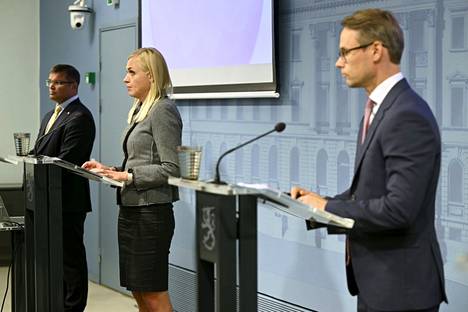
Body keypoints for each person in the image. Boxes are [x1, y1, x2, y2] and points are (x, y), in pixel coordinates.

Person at [291, 9, 447, 312]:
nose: (338, 62)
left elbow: (399, 209)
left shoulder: (407, 115)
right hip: (379, 285)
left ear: (375, 50)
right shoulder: (382, 108)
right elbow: (368, 195)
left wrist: (328, 208)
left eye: (345, 52)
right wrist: (317, 203)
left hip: (401, 291)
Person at [82, 47, 182, 312]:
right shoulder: (141, 110)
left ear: (151, 76)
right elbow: (139, 162)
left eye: (131, 72)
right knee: (139, 293)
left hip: (151, 214)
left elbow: (171, 168)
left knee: (153, 295)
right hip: (131, 210)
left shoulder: (163, 110)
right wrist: (110, 169)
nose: (125, 78)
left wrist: (127, 175)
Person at [33, 64, 95, 311]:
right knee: (54, 261)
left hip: (67, 201)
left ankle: (73, 306)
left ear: (73, 86)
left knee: (70, 260)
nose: (51, 86)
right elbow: (41, 152)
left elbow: (67, 159)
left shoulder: (80, 116)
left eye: (57, 82)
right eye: (49, 81)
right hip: (46, 198)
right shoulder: (51, 115)